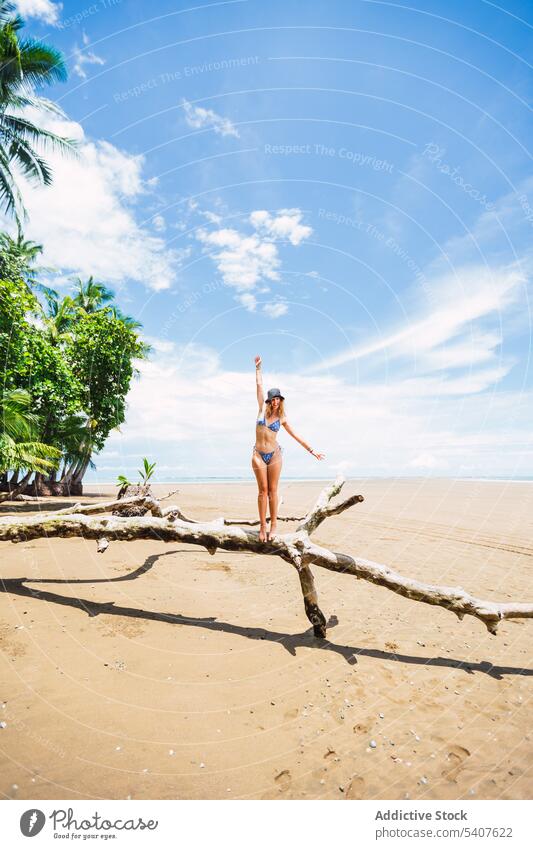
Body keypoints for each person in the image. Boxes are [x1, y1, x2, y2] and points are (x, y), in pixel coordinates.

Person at [252, 355, 325, 542]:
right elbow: (259, 387)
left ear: (280, 401)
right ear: (268, 401)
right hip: (258, 455)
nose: (275, 401)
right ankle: (262, 526)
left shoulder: (282, 419)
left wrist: (312, 450)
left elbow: (296, 436)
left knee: (273, 491)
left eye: (277, 399)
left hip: (275, 455)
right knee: (262, 491)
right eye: (272, 399)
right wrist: (258, 369)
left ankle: (274, 525)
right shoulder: (261, 409)